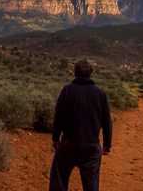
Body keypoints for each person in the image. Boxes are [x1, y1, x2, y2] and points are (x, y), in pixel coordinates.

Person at [48, 59, 112, 191]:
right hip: (92, 146)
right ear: (90, 73)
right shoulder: (100, 94)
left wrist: (55, 139)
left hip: (69, 143)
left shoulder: (67, 90)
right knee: (91, 184)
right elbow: (107, 121)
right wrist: (107, 144)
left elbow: (59, 116)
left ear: (74, 73)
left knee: (58, 179)